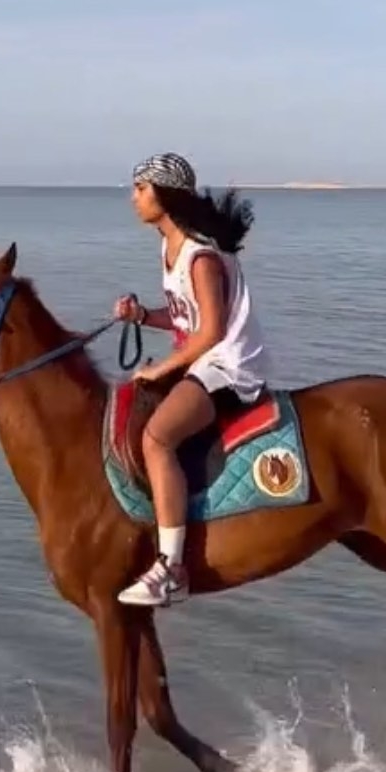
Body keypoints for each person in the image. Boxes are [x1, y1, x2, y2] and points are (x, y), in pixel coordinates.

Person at [113, 152, 270, 608]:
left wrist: (161, 368)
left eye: (140, 189)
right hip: (204, 359)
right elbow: (187, 319)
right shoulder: (170, 247)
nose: (134, 198)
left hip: (230, 364)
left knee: (157, 438)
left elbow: (212, 331)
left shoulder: (200, 256)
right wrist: (143, 316)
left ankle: (171, 568)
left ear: (164, 194)